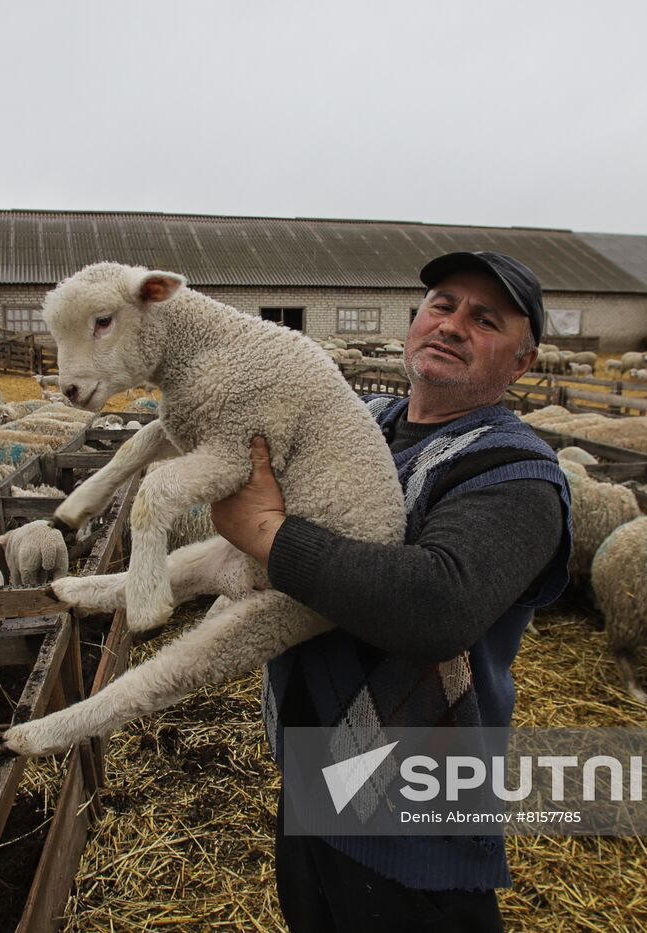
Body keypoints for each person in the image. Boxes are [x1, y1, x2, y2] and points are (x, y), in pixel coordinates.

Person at [211, 251, 573, 932]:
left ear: (521, 364)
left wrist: (269, 534)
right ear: (415, 321)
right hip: (316, 771)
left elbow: (439, 604)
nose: (454, 324)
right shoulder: (363, 424)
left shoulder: (517, 473)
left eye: (486, 319)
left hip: (410, 812)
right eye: (442, 303)